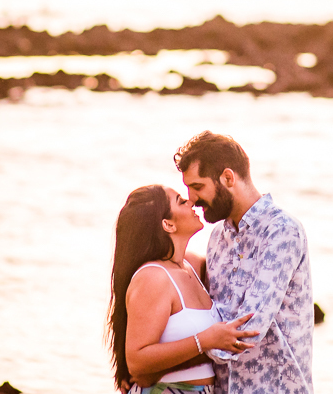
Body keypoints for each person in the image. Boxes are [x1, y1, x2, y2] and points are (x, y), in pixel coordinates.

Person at [174, 132, 313, 394]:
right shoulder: (217, 238)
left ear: (228, 177)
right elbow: (211, 318)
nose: (191, 198)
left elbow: (246, 331)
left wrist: (159, 362)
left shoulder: (282, 231)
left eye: (198, 186)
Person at [108, 184, 260, 394]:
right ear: (168, 224)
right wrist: (206, 340)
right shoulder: (154, 277)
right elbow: (137, 362)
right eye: (180, 201)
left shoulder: (193, 265)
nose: (191, 201)